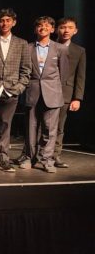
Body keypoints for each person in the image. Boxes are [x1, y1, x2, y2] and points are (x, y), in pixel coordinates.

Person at [0, 9, 31, 172]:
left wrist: (18, 89)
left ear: (14, 22)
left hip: (12, 91)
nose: (4, 23)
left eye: (8, 20)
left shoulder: (22, 43)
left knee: (6, 125)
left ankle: (4, 158)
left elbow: (26, 71)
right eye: (1, 20)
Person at [19, 16, 68, 173]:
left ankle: (47, 159)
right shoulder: (27, 47)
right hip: (32, 92)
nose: (43, 28)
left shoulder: (60, 49)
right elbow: (23, 71)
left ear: (52, 29)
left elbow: (64, 74)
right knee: (30, 128)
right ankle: (29, 157)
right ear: (35, 29)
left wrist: (55, 90)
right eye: (39, 25)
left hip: (52, 93)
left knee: (50, 129)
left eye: (47, 26)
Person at [54, 17, 85, 168]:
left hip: (65, 93)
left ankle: (55, 155)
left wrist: (77, 98)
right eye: (63, 27)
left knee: (59, 127)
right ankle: (32, 154)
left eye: (70, 27)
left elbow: (80, 76)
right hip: (45, 90)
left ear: (75, 31)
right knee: (37, 125)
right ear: (56, 29)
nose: (66, 30)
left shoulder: (79, 51)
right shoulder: (49, 45)